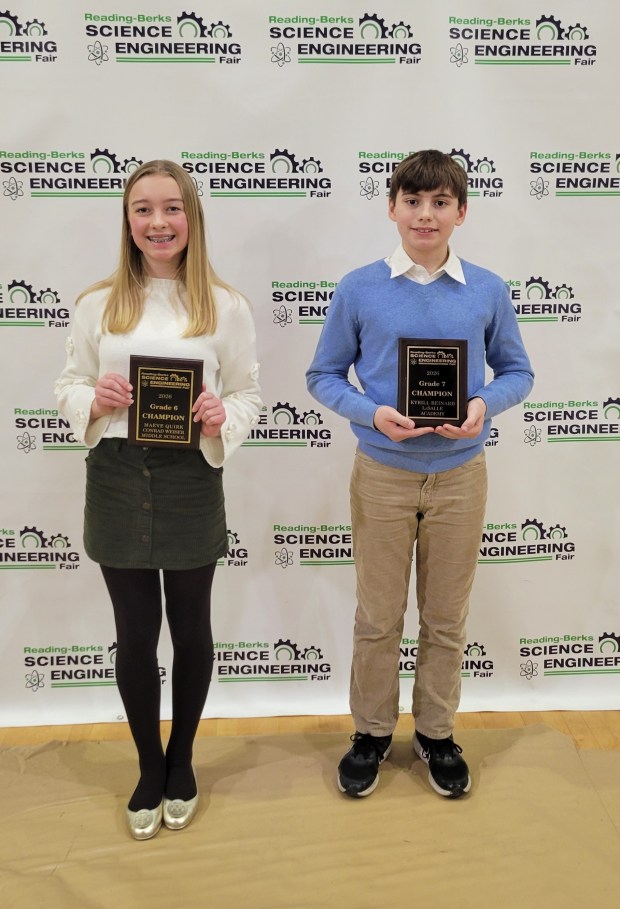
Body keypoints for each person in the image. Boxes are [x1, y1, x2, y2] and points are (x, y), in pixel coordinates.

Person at [306, 149, 533, 800]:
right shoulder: (359, 287)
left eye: (440, 203)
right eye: (413, 201)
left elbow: (518, 371)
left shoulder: (486, 290)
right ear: (391, 208)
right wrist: (373, 412)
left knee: (444, 617)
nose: (425, 214)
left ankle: (436, 731)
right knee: (378, 616)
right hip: (382, 471)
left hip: (461, 473)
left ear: (462, 211)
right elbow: (323, 375)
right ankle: (372, 732)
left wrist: (483, 404)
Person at [55, 159, 261, 839]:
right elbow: (68, 386)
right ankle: (148, 763)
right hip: (116, 476)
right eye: (143, 209)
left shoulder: (225, 306)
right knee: (135, 636)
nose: (158, 222)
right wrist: (95, 398)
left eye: (171, 208)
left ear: (191, 217)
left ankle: (183, 758)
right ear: (127, 220)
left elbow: (248, 394)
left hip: (189, 478)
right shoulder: (98, 303)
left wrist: (217, 418)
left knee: (192, 628)